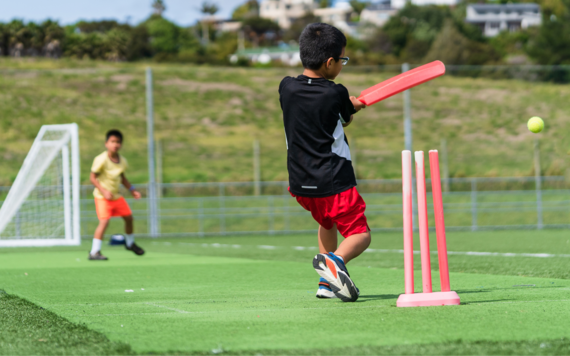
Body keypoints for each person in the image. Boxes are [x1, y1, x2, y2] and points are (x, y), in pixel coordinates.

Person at [279, 23, 370, 302]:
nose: (342, 65)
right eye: (342, 60)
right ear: (329, 62)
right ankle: (335, 263)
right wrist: (353, 106)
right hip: (334, 178)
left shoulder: (286, 87)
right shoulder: (336, 93)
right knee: (360, 234)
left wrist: (345, 106)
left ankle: (325, 284)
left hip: (301, 184)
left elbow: (322, 114)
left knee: (327, 223)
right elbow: (344, 117)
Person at [89, 129, 144, 260]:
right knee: (104, 222)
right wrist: (103, 191)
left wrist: (132, 189)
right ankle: (94, 252)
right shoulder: (101, 159)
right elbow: (92, 178)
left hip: (116, 196)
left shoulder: (122, 161)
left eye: (118, 142)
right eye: (112, 141)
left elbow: (123, 178)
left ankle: (130, 244)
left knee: (129, 218)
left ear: (121, 144)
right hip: (102, 197)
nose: (115, 144)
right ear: (106, 143)